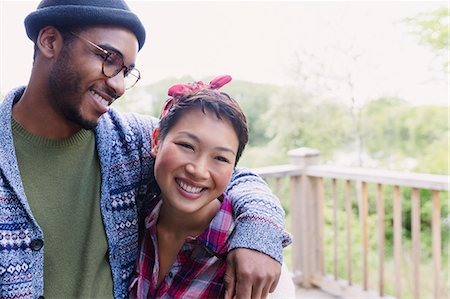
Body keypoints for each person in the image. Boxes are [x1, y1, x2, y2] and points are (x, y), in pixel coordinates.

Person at [0, 1, 291, 299]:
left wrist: (259, 235)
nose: (119, 85)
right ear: (49, 41)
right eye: (108, 58)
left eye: (126, 71)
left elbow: (236, 177)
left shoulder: (127, 140)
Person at [129, 75, 294, 298]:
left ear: (234, 167)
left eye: (221, 158)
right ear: (157, 141)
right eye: (187, 145)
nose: (198, 170)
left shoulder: (254, 263)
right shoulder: (129, 220)